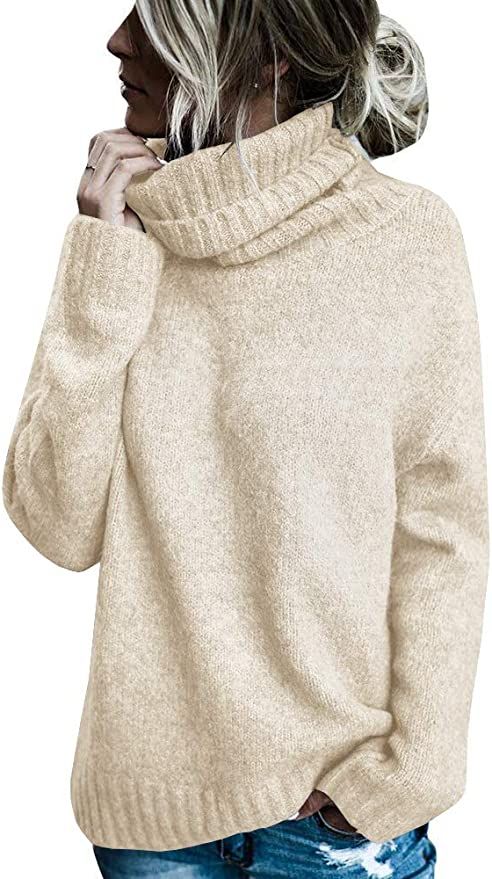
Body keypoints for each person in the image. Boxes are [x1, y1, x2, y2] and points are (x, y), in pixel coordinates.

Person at [3, 2, 488, 877]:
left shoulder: (403, 240)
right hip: (151, 824)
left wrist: (413, 768)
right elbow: (57, 525)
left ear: (267, 60)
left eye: (158, 17)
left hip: (338, 822)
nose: (118, 40)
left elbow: (444, 530)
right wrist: (101, 261)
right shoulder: (127, 237)